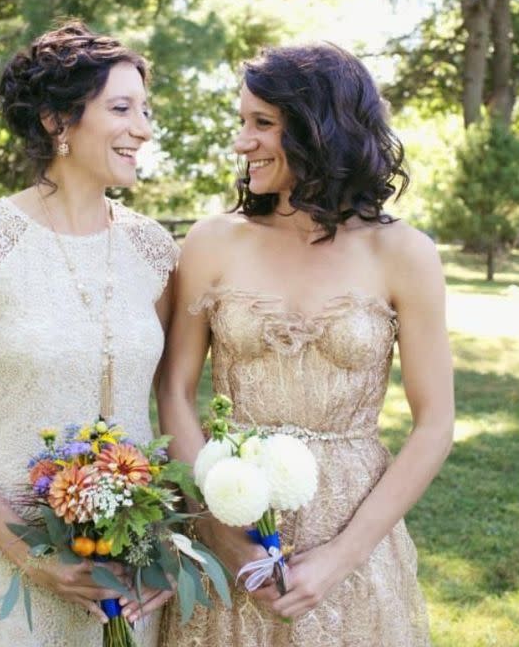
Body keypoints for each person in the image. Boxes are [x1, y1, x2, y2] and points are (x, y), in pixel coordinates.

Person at [158, 43, 454, 646]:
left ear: (324, 129)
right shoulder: (212, 241)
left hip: (354, 530)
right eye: (242, 121)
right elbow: (173, 389)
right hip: (227, 513)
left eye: (262, 123)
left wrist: (343, 555)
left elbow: (435, 424)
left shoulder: (404, 254)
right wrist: (223, 532)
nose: (243, 142)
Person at [0, 21, 178, 646]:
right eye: (123, 108)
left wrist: (171, 544)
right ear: (57, 121)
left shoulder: (156, 252)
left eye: (146, 109)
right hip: (7, 560)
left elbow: (170, 408)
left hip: (133, 563)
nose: (145, 129)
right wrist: (31, 553)